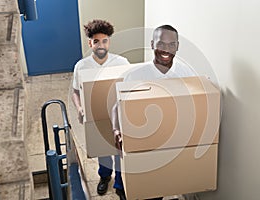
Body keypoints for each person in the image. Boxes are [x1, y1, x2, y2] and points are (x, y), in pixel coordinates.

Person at [111, 25, 197, 200]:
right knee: (146, 192)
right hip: (142, 141)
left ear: (177, 46)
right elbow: (116, 107)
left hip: (172, 141)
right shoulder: (134, 75)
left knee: (164, 185)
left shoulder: (186, 73)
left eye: (171, 44)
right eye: (161, 44)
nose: (166, 49)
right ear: (152, 44)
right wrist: (116, 131)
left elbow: (196, 104)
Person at [72, 19, 129, 200]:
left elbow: (130, 88)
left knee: (120, 150)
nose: (101, 45)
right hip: (96, 117)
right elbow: (75, 92)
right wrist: (80, 108)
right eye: (96, 41)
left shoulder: (121, 62)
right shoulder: (81, 66)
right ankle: (105, 177)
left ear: (109, 41)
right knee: (103, 150)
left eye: (104, 40)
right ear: (90, 43)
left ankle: (120, 185)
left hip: (118, 116)